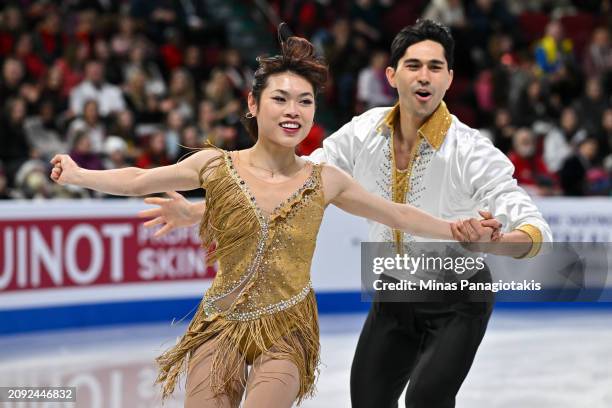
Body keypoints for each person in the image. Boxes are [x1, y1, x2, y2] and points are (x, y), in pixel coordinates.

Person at [49, 31, 497, 408]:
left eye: (304, 101)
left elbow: (398, 214)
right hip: (220, 322)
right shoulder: (215, 166)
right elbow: (140, 178)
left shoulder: (325, 180)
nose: (293, 111)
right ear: (253, 104)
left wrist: (457, 229)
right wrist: (79, 174)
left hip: (287, 327)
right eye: (280, 98)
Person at [144, 20, 552, 408]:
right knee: (369, 399)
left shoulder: (472, 150)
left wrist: (494, 243)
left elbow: (534, 228)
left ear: (448, 77)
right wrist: (199, 211)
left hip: (459, 298)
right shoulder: (365, 131)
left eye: (435, 67)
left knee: (426, 398)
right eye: (413, 66)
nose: (423, 76)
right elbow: (296, 187)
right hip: (393, 293)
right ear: (392, 76)